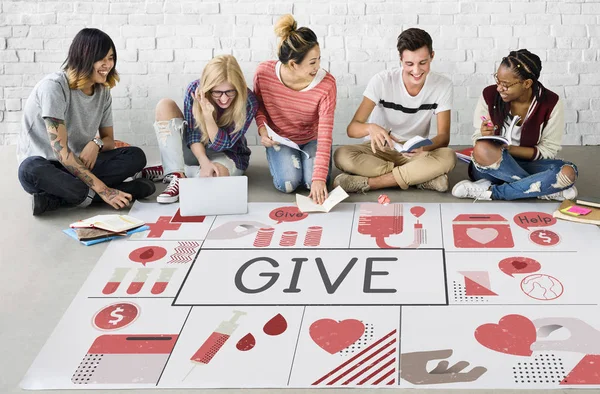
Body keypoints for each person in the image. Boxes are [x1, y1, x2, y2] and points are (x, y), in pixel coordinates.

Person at [17, 28, 154, 216]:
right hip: (48, 167)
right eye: (102, 59)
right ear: (84, 57)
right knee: (29, 169)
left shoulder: (103, 91)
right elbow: (62, 154)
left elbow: (109, 140)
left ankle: (58, 199)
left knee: (136, 156)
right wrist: (105, 191)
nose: (108, 65)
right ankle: (122, 192)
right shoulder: (54, 88)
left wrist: (95, 143)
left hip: (80, 164)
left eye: (111, 58)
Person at [333, 28, 456, 194]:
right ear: (400, 59)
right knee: (341, 154)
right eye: (409, 64)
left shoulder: (443, 85)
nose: (416, 71)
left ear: (432, 56)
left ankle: (370, 183)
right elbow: (352, 129)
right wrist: (371, 128)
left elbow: (444, 137)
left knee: (448, 156)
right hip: (379, 151)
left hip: (415, 154)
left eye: (423, 62)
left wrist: (424, 149)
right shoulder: (382, 81)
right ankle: (420, 178)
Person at [452, 49, 578, 201]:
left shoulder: (550, 103)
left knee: (568, 172)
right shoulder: (490, 95)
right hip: (492, 166)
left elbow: (548, 150)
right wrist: (485, 135)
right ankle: (542, 188)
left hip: (530, 164)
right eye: (497, 80)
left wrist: (510, 149)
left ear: (526, 83)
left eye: (505, 84)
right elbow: (477, 138)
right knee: (482, 148)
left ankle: (491, 191)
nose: (499, 88)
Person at [142, 55, 258, 203]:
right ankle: (177, 173)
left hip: (228, 154)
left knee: (212, 179)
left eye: (230, 91)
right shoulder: (194, 90)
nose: (224, 99)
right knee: (165, 105)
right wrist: (203, 161)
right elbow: (193, 134)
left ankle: (174, 169)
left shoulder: (248, 100)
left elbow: (223, 144)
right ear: (208, 88)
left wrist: (208, 116)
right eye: (217, 92)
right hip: (196, 149)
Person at [253, 14, 337, 205]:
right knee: (288, 184)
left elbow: (325, 133)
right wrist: (262, 130)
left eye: (319, 59)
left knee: (311, 183)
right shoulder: (264, 73)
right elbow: (259, 107)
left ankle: (311, 169)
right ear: (293, 64)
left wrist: (318, 179)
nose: (318, 66)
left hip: (312, 138)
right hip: (281, 139)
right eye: (312, 62)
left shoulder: (327, 84)